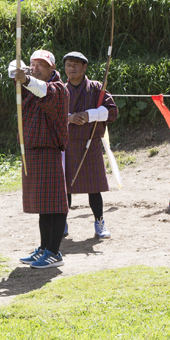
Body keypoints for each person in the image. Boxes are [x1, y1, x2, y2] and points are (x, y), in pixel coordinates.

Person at [9, 49, 70, 268]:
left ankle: (54, 252)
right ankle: (44, 248)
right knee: (44, 205)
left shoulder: (58, 89)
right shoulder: (29, 85)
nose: (36, 68)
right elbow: (13, 71)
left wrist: (25, 78)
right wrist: (19, 72)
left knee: (55, 204)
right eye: (33, 64)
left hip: (49, 150)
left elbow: (42, 90)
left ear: (52, 68)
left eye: (42, 65)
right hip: (33, 151)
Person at [62, 51, 118, 239]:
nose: (72, 68)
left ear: (85, 67)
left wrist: (89, 115)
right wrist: (69, 118)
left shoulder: (96, 89)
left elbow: (112, 112)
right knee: (65, 187)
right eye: (68, 65)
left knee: (94, 187)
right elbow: (50, 115)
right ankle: (62, 223)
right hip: (67, 144)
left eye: (76, 64)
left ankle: (99, 222)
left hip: (90, 142)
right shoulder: (60, 89)